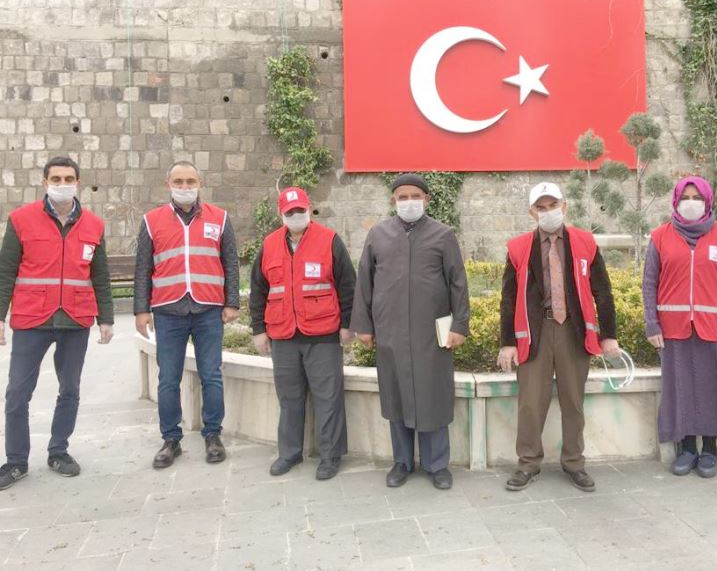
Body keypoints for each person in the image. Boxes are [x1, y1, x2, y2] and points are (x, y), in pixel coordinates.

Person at [0, 156, 114, 489]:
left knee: (70, 390)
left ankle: (58, 452)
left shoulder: (94, 225)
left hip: (76, 319)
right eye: (56, 178)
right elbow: (5, 271)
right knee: (17, 392)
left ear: (78, 182)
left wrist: (105, 318)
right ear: (45, 181)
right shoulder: (20, 220)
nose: (62, 183)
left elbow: (100, 275)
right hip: (31, 319)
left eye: (68, 178)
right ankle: (17, 461)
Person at [498, 182, 620, 492]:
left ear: (564, 206)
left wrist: (609, 336)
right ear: (531, 212)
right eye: (541, 207)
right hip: (536, 334)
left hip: (573, 333)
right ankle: (527, 463)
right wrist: (507, 342)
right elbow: (509, 298)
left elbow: (602, 291)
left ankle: (574, 462)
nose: (548, 211)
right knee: (530, 403)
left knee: (573, 402)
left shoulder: (585, 242)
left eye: (553, 205)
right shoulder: (518, 248)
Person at [351, 173, 470, 489]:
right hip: (390, 333)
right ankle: (401, 462)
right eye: (402, 197)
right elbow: (365, 281)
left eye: (414, 196)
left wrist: (459, 325)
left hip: (431, 335)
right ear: (393, 201)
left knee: (433, 397)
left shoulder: (443, 235)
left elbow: (458, 282)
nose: (408, 202)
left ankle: (437, 465)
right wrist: (363, 326)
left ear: (426, 200)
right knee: (397, 397)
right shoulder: (378, 234)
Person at [134, 161, 240, 469]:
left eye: (190, 181)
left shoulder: (220, 218)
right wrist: (141, 310)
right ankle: (171, 439)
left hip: (208, 309)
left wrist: (231, 301)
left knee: (212, 375)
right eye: (178, 181)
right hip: (168, 311)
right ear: (168, 183)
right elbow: (143, 268)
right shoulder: (151, 221)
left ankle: (213, 435)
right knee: (168, 379)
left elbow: (230, 262)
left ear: (200, 182)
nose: (184, 186)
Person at [643, 176, 717, 478]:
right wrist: (652, 324)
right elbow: (649, 283)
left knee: (714, 390)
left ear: (708, 201)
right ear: (676, 201)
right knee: (681, 390)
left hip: (715, 332)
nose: (691, 202)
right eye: (685, 197)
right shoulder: (660, 237)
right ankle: (687, 448)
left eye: (697, 197)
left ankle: (710, 450)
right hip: (674, 330)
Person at [249, 187, 356, 480]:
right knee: (289, 398)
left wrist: (347, 324)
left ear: (309, 209)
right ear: (281, 214)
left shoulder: (329, 240)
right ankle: (289, 453)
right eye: (289, 212)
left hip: (322, 334)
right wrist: (259, 330)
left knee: (328, 398)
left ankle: (330, 456)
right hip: (283, 335)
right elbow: (258, 290)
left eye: (300, 210)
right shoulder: (269, 244)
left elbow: (348, 285)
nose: (296, 216)